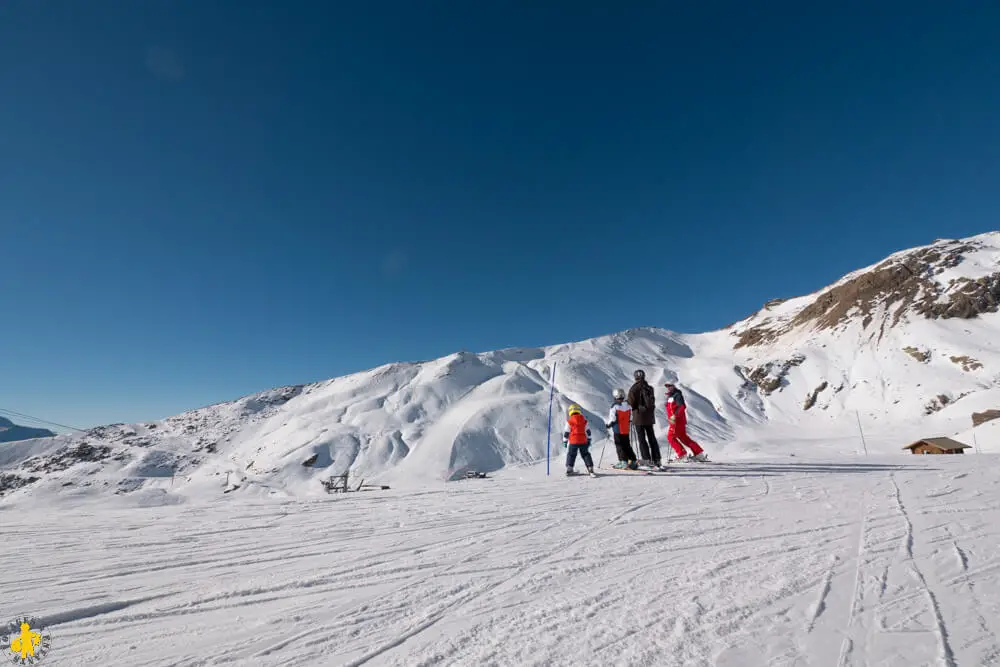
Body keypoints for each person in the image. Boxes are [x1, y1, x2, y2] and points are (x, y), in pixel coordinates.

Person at [664, 381, 708, 462]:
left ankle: (682, 455)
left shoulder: (677, 395)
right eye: (667, 386)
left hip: (676, 420)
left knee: (671, 437)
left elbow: (682, 406)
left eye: (670, 385)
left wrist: (674, 416)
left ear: (674, 386)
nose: (668, 387)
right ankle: (698, 454)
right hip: (677, 421)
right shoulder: (671, 396)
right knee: (683, 437)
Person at [627, 369, 663, 468]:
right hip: (649, 417)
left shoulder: (633, 389)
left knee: (642, 439)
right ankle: (657, 459)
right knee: (652, 438)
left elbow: (631, 404)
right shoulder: (649, 388)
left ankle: (646, 459)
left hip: (639, 417)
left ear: (635, 377)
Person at [605, 388, 638, 469]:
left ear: (615, 396)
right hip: (625, 429)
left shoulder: (614, 406)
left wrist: (608, 425)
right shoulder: (628, 406)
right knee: (627, 445)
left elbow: (613, 419)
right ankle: (633, 461)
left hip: (617, 429)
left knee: (619, 445)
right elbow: (630, 418)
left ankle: (623, 462)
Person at [562, 404, 596, 477]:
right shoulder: (584, 420)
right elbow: (588, 431)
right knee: (585, 454)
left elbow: (566, 433)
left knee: (571, 454)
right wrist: (589, 439)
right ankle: (590, 468)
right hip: (583, 441)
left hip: (573, 441)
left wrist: (565, 441)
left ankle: (569, 469)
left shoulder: (569, 421)